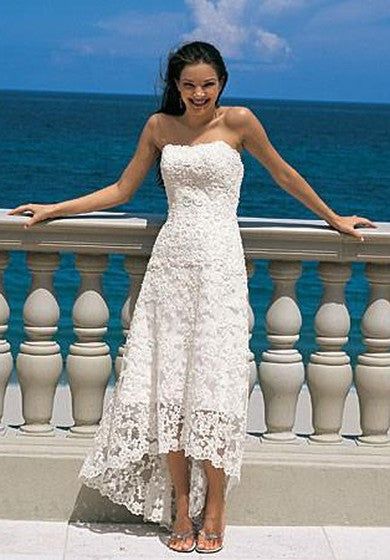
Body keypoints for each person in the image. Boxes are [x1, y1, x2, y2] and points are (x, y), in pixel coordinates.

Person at [7, 40, 376, 554]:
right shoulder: (160, 128)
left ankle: (217, 505)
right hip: (171, 268)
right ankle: (182, 506)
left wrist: (333, 218)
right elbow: (121, 190)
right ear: (175, 86)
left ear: (221, 82)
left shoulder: (241, 122)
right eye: (188, 85)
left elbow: (284, 174)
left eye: (207, 84)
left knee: (214, 385)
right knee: (169, 385)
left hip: (221, 267)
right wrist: (54, 208)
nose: (199, 94)